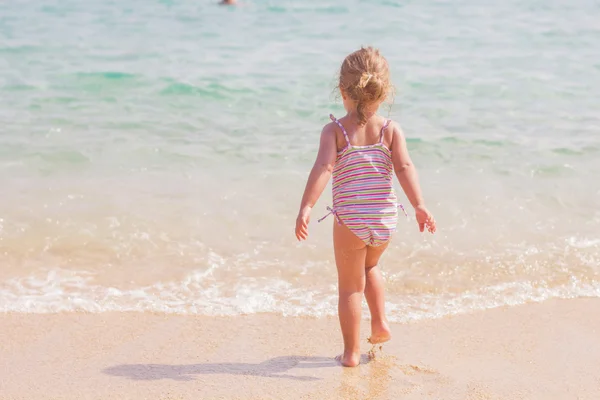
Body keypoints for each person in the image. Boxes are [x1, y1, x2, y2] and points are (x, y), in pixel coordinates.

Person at [295, 47, 436, 367]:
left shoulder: (335, 131)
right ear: (383, 92)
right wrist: (419, 205)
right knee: (371, 268)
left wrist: (306, 207)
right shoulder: (390, 130)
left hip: (351, 221)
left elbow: (323, 169)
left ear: (343, 91)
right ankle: (381, 322)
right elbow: (404, 168)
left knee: (349, 288)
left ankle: (350, 353)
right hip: (384, 220)